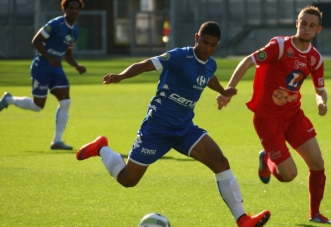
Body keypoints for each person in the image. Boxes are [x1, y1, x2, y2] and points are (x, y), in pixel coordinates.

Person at [75, 21, 270, 227]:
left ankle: (243, 219)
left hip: (184, 128)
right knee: (128, 180)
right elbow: (144, 65)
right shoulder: (179, 56)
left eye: (213, 45)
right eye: (204, 42)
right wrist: (121, 76)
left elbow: (208, 77)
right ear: (196, 38)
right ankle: (102, 148)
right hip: (157, 127)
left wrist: (222, 91)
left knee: (220, 162)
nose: (208, 48)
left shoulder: (210, 63)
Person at [217, 6, 331, 224]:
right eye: (303, 23)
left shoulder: (315, 58)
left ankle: (315, 214)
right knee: (289, 175)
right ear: (296, 23)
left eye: (311, 25)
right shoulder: (279, 46)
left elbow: (320, 88)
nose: (306, 28)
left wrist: (321, 101)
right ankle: (267, 159)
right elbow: (248, 61)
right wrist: (229, 89)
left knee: (317, 162)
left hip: (293, 116)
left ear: (318, 29)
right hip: (268, 119)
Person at [0, 0, 86, 150]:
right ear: (64, 9)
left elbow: (67, 54)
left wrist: (76, 65)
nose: (74, 11)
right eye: (71, 8)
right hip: (41, 67)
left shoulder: (75, 31)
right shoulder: (55, 24)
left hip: (56, 69)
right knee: (38, 106)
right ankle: (9, 99)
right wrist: (49, 57)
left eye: (77, 8)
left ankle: (57, 141)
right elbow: (36, 41)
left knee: (65, 101)